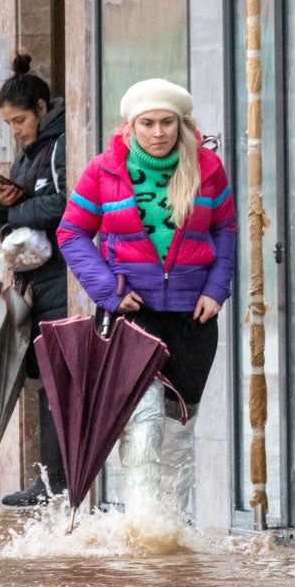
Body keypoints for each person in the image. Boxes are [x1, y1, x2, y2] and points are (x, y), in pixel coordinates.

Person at [58, 79, 237, 523]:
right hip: (130, 317)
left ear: (182, 124)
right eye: (148, 123)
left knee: (178, 433)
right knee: (143, 427)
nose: (158, 132)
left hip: (192, 319)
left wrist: (216, 290)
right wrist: (108, 289)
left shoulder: (207, 169)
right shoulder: (103, 171)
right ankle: (143, 531)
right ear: (131, 126)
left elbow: (226, 231)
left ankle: (170, 532)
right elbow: (71, 232)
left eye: (167, 123)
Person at [0, 54, 68, 507]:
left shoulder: (58, 145)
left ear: (41, 107)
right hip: (35, 283)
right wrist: (2, 204)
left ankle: (56, 483)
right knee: (43, 380)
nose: (15, 129)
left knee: (57, 380)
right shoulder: (28, 151)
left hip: (60, 281)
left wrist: (16, 210)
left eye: (19, 119)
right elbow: (18, 214)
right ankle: (48, 480)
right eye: (8, 123)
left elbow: (65, 203)